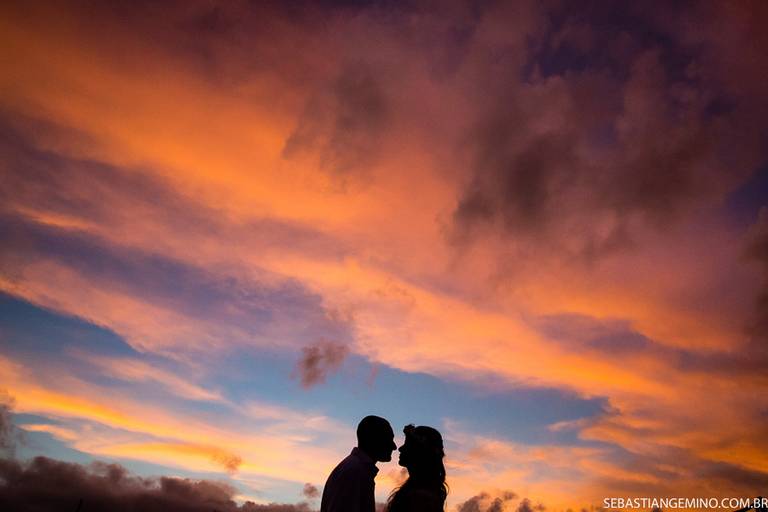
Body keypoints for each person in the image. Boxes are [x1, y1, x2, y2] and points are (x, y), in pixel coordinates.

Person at [321, 415, 397, 512]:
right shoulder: (355, 471)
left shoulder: (355, 468)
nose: (394, 446)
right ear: (373, 438)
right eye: (389, 439)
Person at [386, 424, 447, 512]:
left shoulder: (421, 497)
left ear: (420, 450)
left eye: (407, 444)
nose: (400, 448)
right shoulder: (425, 491)